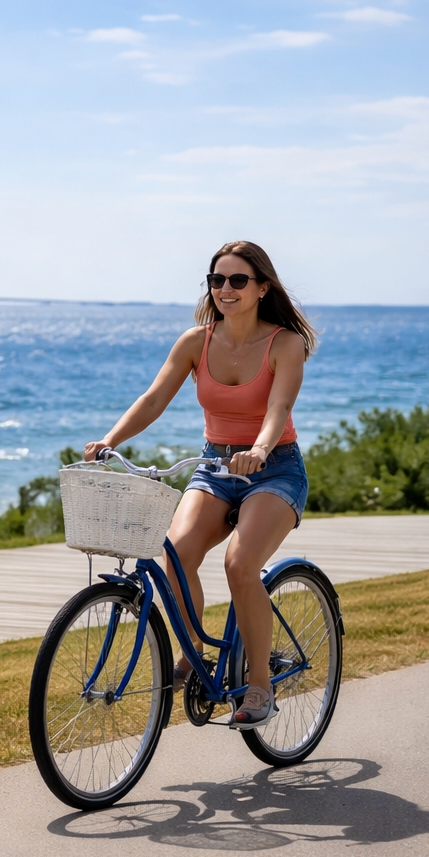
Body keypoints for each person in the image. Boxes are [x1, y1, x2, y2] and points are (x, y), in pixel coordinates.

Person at [83, 240, 317, 729]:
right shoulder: (196, 341)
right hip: (213, 467)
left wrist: (258, 449)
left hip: (274, 469)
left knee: (240, 564)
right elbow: (153, 399)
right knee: (176, 553)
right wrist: (109, 439)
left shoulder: (284, 343)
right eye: (216, 280)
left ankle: (258, 684)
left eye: (237, 281)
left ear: (261, 288)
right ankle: (193, 654)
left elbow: (277, 410)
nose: (225, 290)